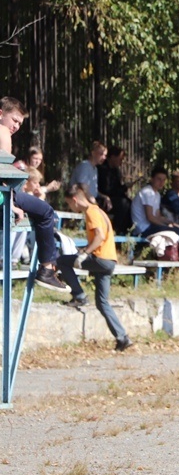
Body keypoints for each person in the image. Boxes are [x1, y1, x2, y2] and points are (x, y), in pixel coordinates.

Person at [0, 96, 68, 291]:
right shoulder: (2, 131)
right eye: (14, 120)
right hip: (3, 195)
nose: (16, 127)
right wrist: (10, 205)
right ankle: (47, 269)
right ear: (0, 114)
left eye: (20, 124)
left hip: (5, 192)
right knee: (46, 212)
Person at [56, 184, 133, 351]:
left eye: (69, 203)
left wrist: (85, 254)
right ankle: (122, 337)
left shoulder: (91, 212)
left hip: (100, 259)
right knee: (102, 302)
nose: (70, 207)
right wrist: (84, 251)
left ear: (75, 200)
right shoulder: (98, 210)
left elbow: (99, 236)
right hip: (109, 261)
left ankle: (79, 295)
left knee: (61, 261)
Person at [98, 147, 133, 234]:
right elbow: (107, 189)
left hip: (115, 198)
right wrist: (123, 188)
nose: (121, 162)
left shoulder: (116, 171)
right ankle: (118, 230)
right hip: (103, 199)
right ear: (113, 157)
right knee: (123, 204)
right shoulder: (102, 169)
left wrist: (124, 187)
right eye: (120, 159)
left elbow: (117, 188)